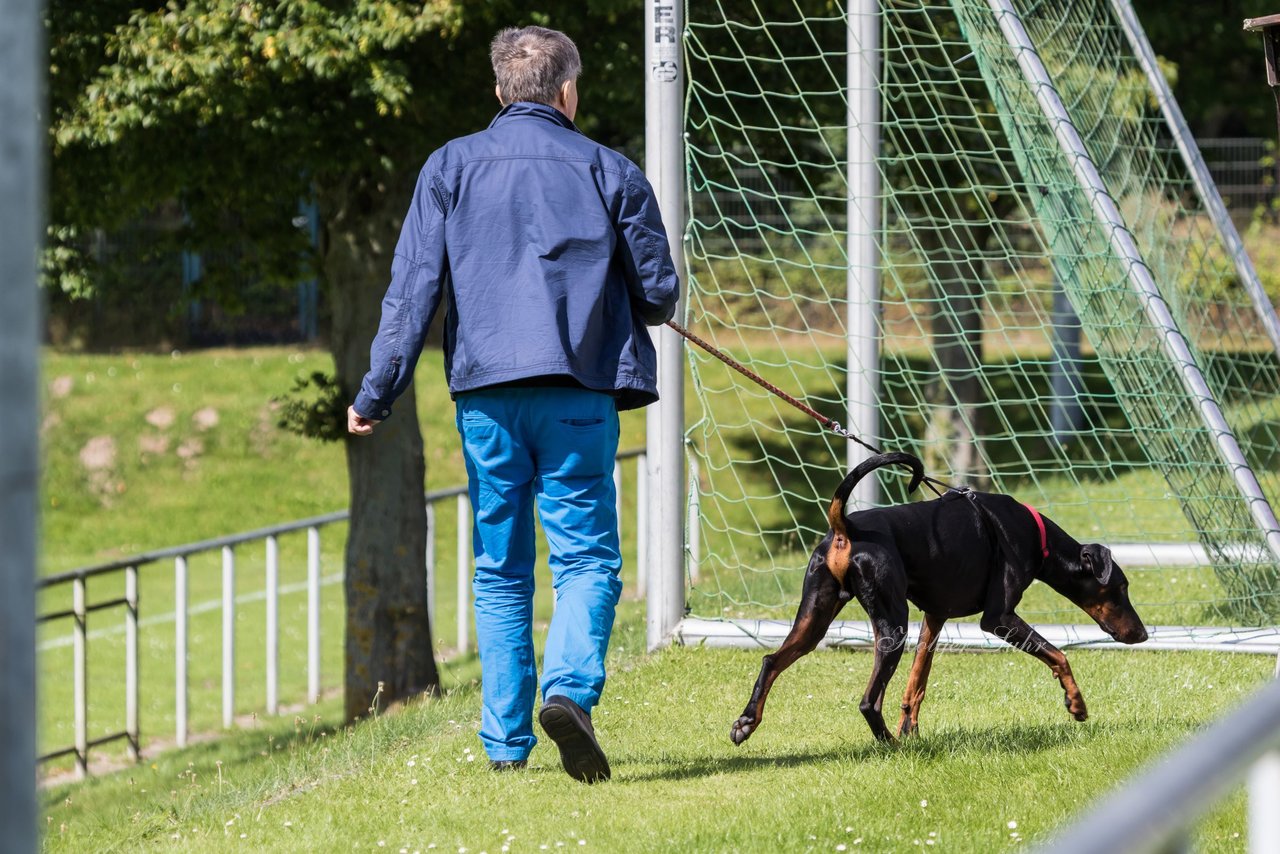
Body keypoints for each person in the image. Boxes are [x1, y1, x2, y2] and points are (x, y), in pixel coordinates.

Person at [346, 25, 679, 784]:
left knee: (500, 570)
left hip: (488, 399)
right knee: (587, 558)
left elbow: (411, 296)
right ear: (567, 92)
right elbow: (658, 295)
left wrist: (377, 392)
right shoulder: (610, 169)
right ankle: (568, 691)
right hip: (577, 393)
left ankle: (504, 747)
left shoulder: (448, 167)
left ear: (500, 92)